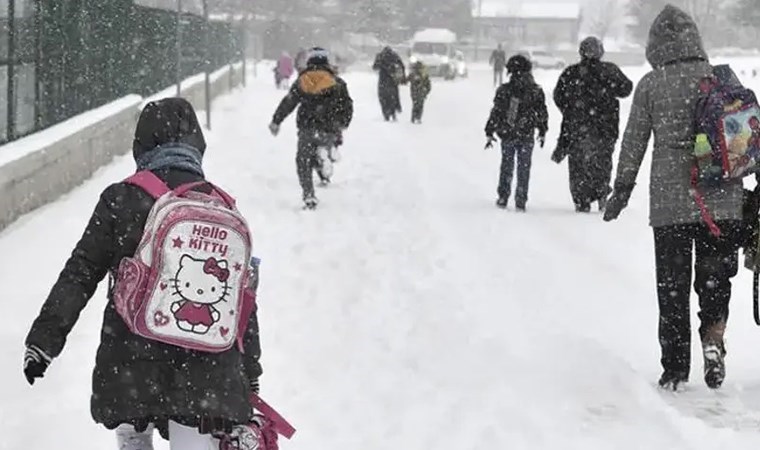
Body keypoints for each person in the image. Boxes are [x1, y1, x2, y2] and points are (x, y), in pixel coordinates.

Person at [22, 98, 263, 448]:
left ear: (142, 143)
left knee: (134, 431)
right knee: (194, 436)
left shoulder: (121, 199)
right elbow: (242, 302)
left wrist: (44, 341)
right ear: (197, 144)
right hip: (206, 371)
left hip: (131, 361)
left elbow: (80, 272)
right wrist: (250, 374)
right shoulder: (221, 207)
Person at [603, 5, 744, 391]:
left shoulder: (652, 84)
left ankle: (675, 368)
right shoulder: (719, 80)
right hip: (723, 201)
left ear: (655, 44)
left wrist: (622, 189)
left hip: (671, 205)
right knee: (715, 280)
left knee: (673, 287)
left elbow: (633, 142)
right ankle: (713, 340)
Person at [552, 36, 633, 213]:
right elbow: (626, 89)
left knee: (578, 164)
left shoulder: (571, 73)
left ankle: (582, 199)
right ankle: (601, 191)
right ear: (600, 52)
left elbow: (558, 96)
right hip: (606, 127)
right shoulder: (610, 71)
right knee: (602, 162)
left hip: (577, 128)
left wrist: (571, 110)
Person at [269, 47, 354, 210]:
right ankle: (325, 157)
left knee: (303, 161)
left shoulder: (302, 81)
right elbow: (347, 105)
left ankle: (309, 194)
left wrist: (276, 121)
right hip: (329, 127)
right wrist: (343, 123)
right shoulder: (337, 83)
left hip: (307, 127)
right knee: (323, 146)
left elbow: (289, 102)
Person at [485, 54, 548, 212]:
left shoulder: (505, 90)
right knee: (524, 167)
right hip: (527, 134)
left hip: (508, 133)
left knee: (507, 164)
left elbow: (497, 112)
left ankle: (503, 195)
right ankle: (521, 198)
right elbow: (542, 112)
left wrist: (490, 130)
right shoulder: (535, 91)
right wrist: (542, 129)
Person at [373, 46, 406, 121]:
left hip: (383, 80)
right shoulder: (395, 56)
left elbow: (375, 67)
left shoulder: (380, 56)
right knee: (393, 96)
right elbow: (402, 66)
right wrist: (402, 76)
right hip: (392, 80)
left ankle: (386, 114)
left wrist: (382, 65)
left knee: (383, 97)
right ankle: (393, 111)